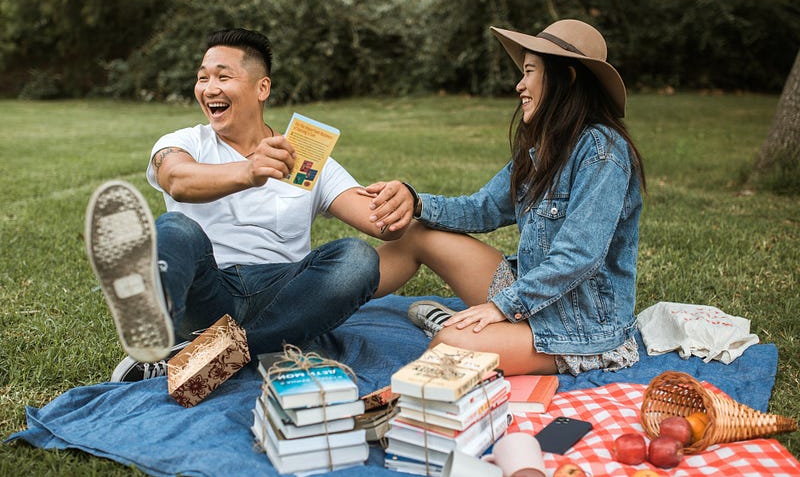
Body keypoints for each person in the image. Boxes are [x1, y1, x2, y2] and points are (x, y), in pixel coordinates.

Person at [85, 28, 408, 382]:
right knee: (177, 229)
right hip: (207, 292)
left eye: (223, 76)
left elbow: (379, 221)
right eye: (202, 78)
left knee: (358, 259)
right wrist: (249, 170)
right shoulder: (184, 141)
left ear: (262, 88)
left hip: (283, 295)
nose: (209, 89)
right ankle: (158, 318)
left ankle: (200, 358)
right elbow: (177, 180)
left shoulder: (306, 156)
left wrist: (405, 199)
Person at [364, 19, 646, 376]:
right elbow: (482, 208)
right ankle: (324, 305)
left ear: (568, 79)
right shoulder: (544, 147)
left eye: (529, 72)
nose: (520, 85)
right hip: (532, 299)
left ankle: (456, 335)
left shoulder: (603, 153)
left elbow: (579, 256)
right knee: (417, 234)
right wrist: (416, 202)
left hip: (578, 327)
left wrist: (502, 306)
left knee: (451, 347)